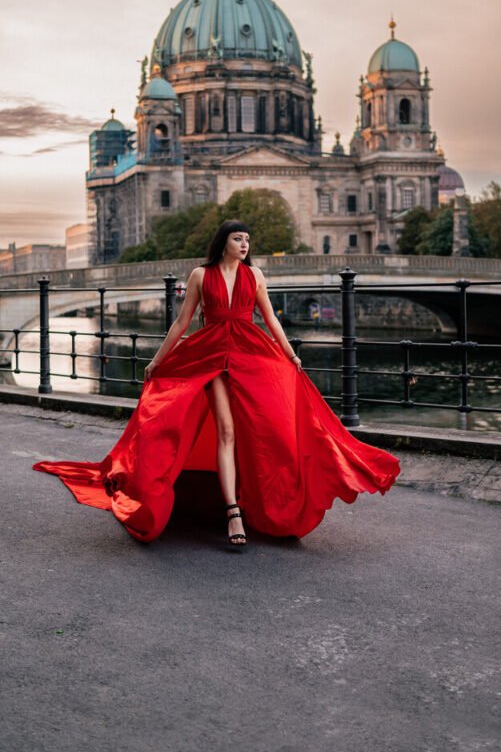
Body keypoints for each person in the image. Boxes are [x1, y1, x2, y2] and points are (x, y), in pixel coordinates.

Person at [33, 221, 400, 548]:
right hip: (210, 354)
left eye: (248, 240)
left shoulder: (254, 276)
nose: (244, 245)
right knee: (225, 430)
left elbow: (270, 319)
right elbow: (182, 324)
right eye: (238, 239)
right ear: (223, 242)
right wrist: (157, 360)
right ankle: (232, 511)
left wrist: (290, 356)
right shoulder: (199, 275)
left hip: (250, 353)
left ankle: (269, 497)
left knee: (268, 427)